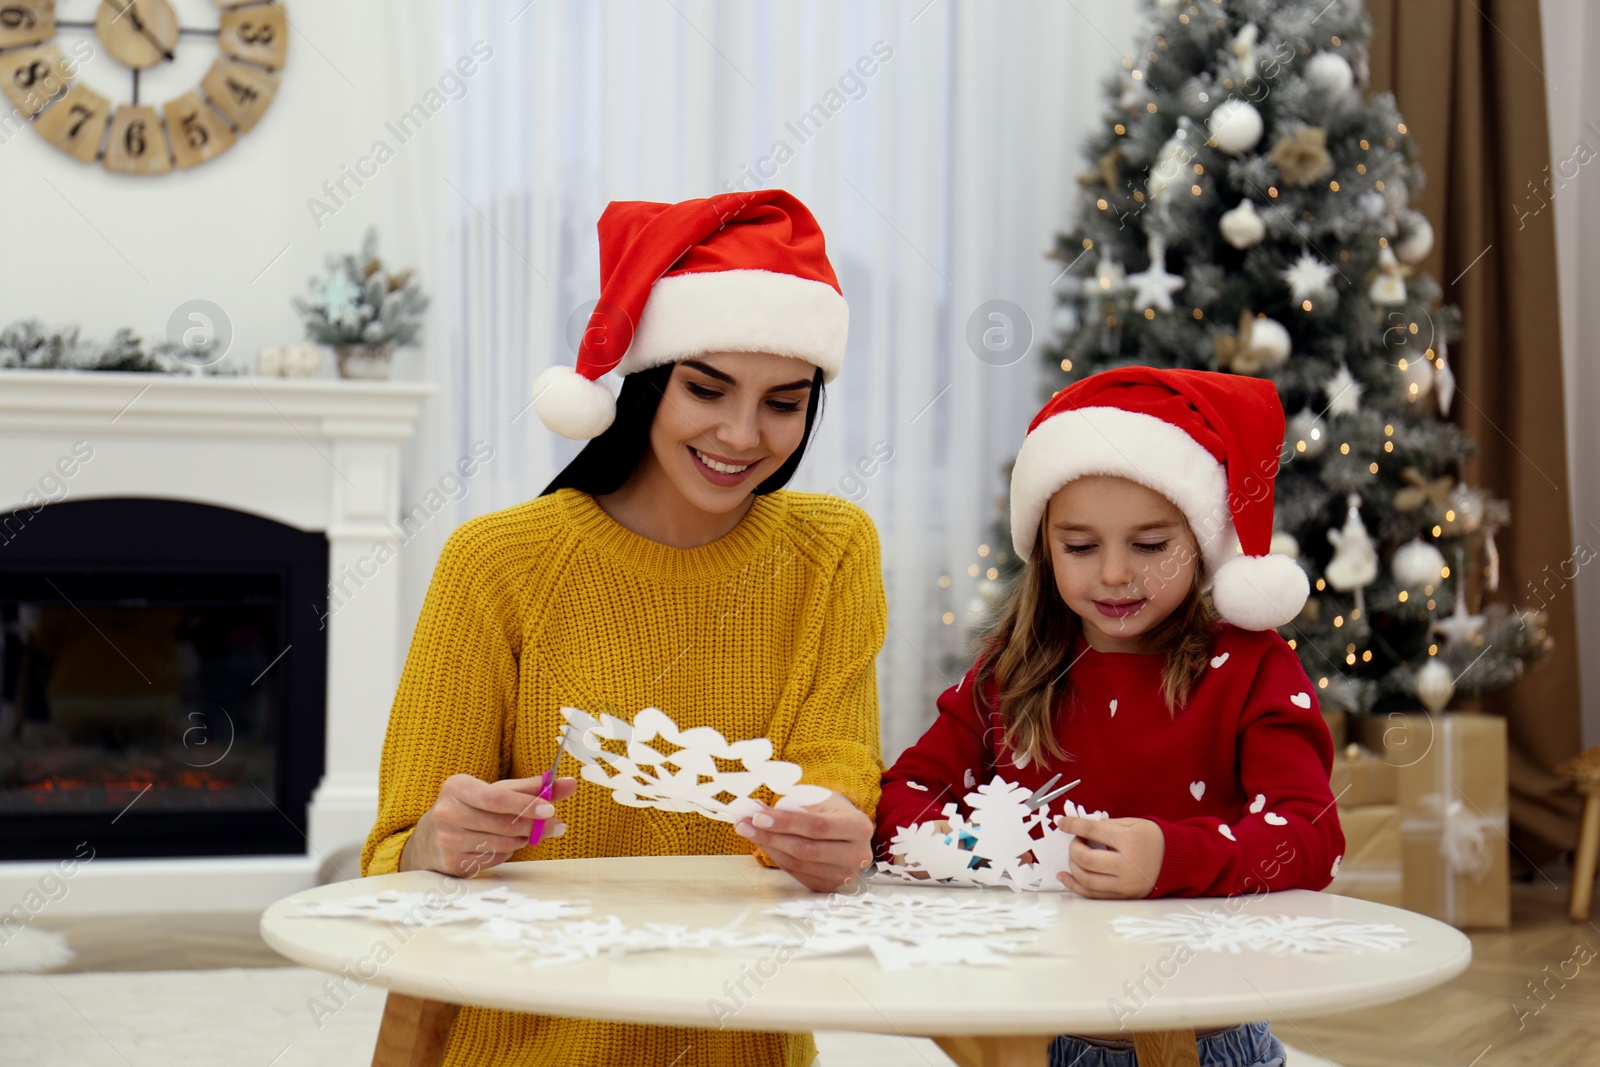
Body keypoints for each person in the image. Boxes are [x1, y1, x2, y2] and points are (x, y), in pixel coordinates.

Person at [363, 190, 887, 1067]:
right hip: (524, 1043)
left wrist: (836, 831)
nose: (741, 434)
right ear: (647, 380)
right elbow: (395, 856)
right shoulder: (496, 562)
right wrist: (437, 840)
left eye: (783, 402)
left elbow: (837, 770)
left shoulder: (832, 551)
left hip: (740, 1047)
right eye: (706, 388)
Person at [875, 367, 1345, 1067]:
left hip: (1206, 1036)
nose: (1116, 574)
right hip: (1048, 1033)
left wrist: (1170, 857)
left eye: (1151, 546)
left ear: (1203, 539)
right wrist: (959, 843)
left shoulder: (1252, 666)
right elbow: (905, 794)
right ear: (1044, 547)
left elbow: (1309, 835)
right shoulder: (1015, 665)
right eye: (1081, 546)